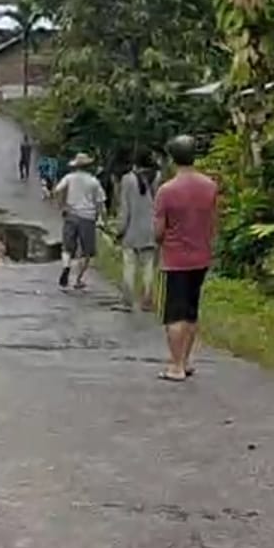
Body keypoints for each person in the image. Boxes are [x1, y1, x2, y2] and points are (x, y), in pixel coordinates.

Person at [153, 134, 219, 382]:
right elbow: (214, 222)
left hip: (175, 258)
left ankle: (176, 365)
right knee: (191, 311)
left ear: (172, 158)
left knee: (174, 314)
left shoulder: (166, 191)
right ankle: (186, 359)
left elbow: (159, 231)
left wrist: (161, 240)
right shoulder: (210, 186)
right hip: (201, 256)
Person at [53, 153, 107, 291]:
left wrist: (62, 206)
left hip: (71, 214)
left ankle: (66, 267)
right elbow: (100, 202)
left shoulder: (69, 178)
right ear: (88, 166)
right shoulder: (93, 181)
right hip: (87, 217)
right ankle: (78, 279)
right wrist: (102, 218)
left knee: (67, 246)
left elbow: (57, 190)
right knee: (86, 251)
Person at [116, 159, 158, 311]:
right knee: (148, 267)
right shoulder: (156, 178)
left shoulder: (127, 179)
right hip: (150, 230)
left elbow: (125, 208)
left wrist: (120, 230)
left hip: (132, 230)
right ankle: (147, 300)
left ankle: (127, 300)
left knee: (129, 265)